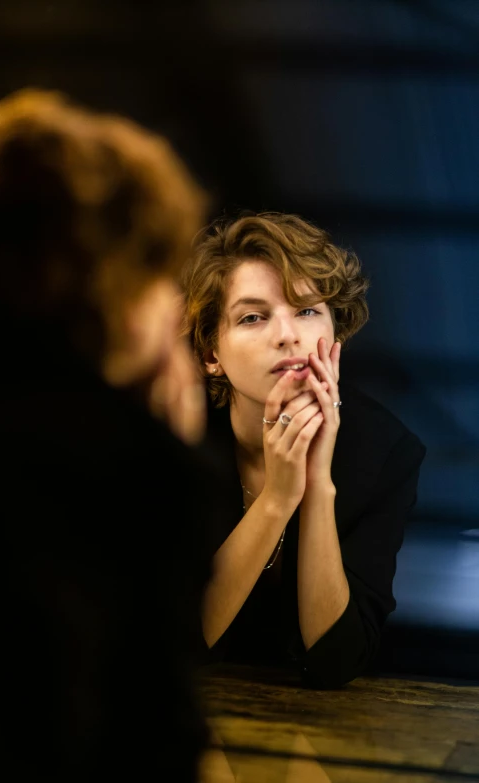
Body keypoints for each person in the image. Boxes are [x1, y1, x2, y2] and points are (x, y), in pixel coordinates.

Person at [0, 89, 214, 780]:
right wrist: (165, 451)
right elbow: (147, 739)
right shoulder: (117, 468)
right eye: (163, 270)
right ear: (118, 283)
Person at [182, 212, 427, 688]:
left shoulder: (387, 453)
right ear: (211, 353)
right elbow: (181, 642)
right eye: (253, 317)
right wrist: (277, 497)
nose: (288, 335)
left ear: (335, 333)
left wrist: (316, 485)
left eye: (308, 310)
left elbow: (338, 660)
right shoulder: (178, 438)